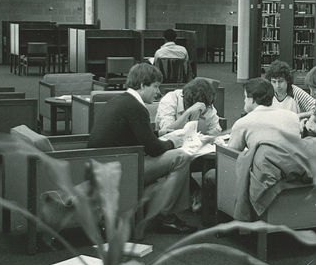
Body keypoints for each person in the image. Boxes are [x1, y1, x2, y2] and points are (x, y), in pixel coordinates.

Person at [87, 63, 195, 234]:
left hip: (107, 164)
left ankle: (160, 210)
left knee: (170, 158)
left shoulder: (120, 100)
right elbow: (154, 149)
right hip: (122, 169)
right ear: (143, 85)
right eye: (155, 86)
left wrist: (159, 132)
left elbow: (132, 135)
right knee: (181, 157)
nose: (158, 92)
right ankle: (167, 216)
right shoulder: (136, 107)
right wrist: (174, 142)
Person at [227, 77, 302, 151]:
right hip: (293, 162)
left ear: (252, 99)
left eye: (245, 97)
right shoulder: (293, 117)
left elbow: (231, 154)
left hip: (264, 162)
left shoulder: (242, 123)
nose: (244, 100)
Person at [155, 77, 222, 136]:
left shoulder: (206, 103)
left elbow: (216, 130)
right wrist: (188, 112)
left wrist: (207, 135)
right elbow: (167, 132)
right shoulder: (170, 100)